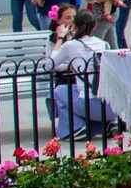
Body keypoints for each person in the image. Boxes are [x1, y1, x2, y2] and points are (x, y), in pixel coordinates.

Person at [47, 8, 110, 140]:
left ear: (74, 26)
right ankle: (108, 124)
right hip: (111, 107)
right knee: (72, 89)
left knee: (57, 91)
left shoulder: (70, 45)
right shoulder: (104, 44)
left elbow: (49, 65)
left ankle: (76, 127)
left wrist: (60, 38)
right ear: (94, 27)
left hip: (90, 105)